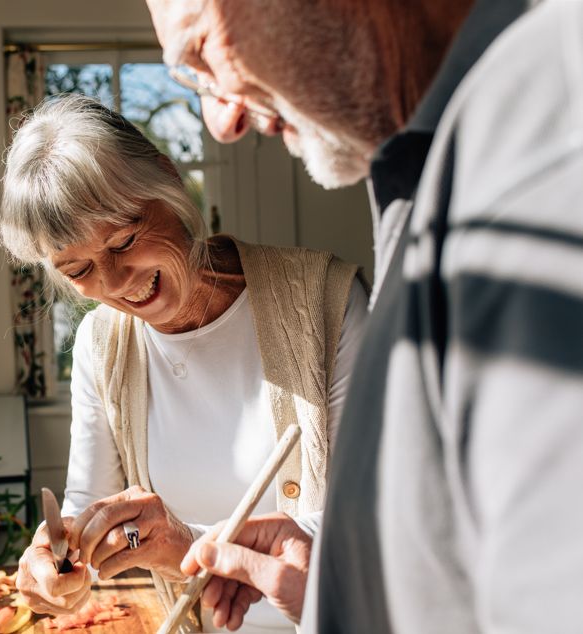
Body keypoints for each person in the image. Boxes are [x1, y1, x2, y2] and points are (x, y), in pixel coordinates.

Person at [151, 0, 583, 632]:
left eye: (202, 53)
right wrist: (342, 577)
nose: (222, 121)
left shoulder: (542, 151)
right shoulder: (438, 162)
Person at [0, 94, 369, 632]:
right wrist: (63, 561)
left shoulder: (325, 301)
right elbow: (88, 506)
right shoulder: (101, 344)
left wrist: (189, 543)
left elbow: (363, 520)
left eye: (124, 239)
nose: (117, 281)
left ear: (168, 184)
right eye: (78, 269)